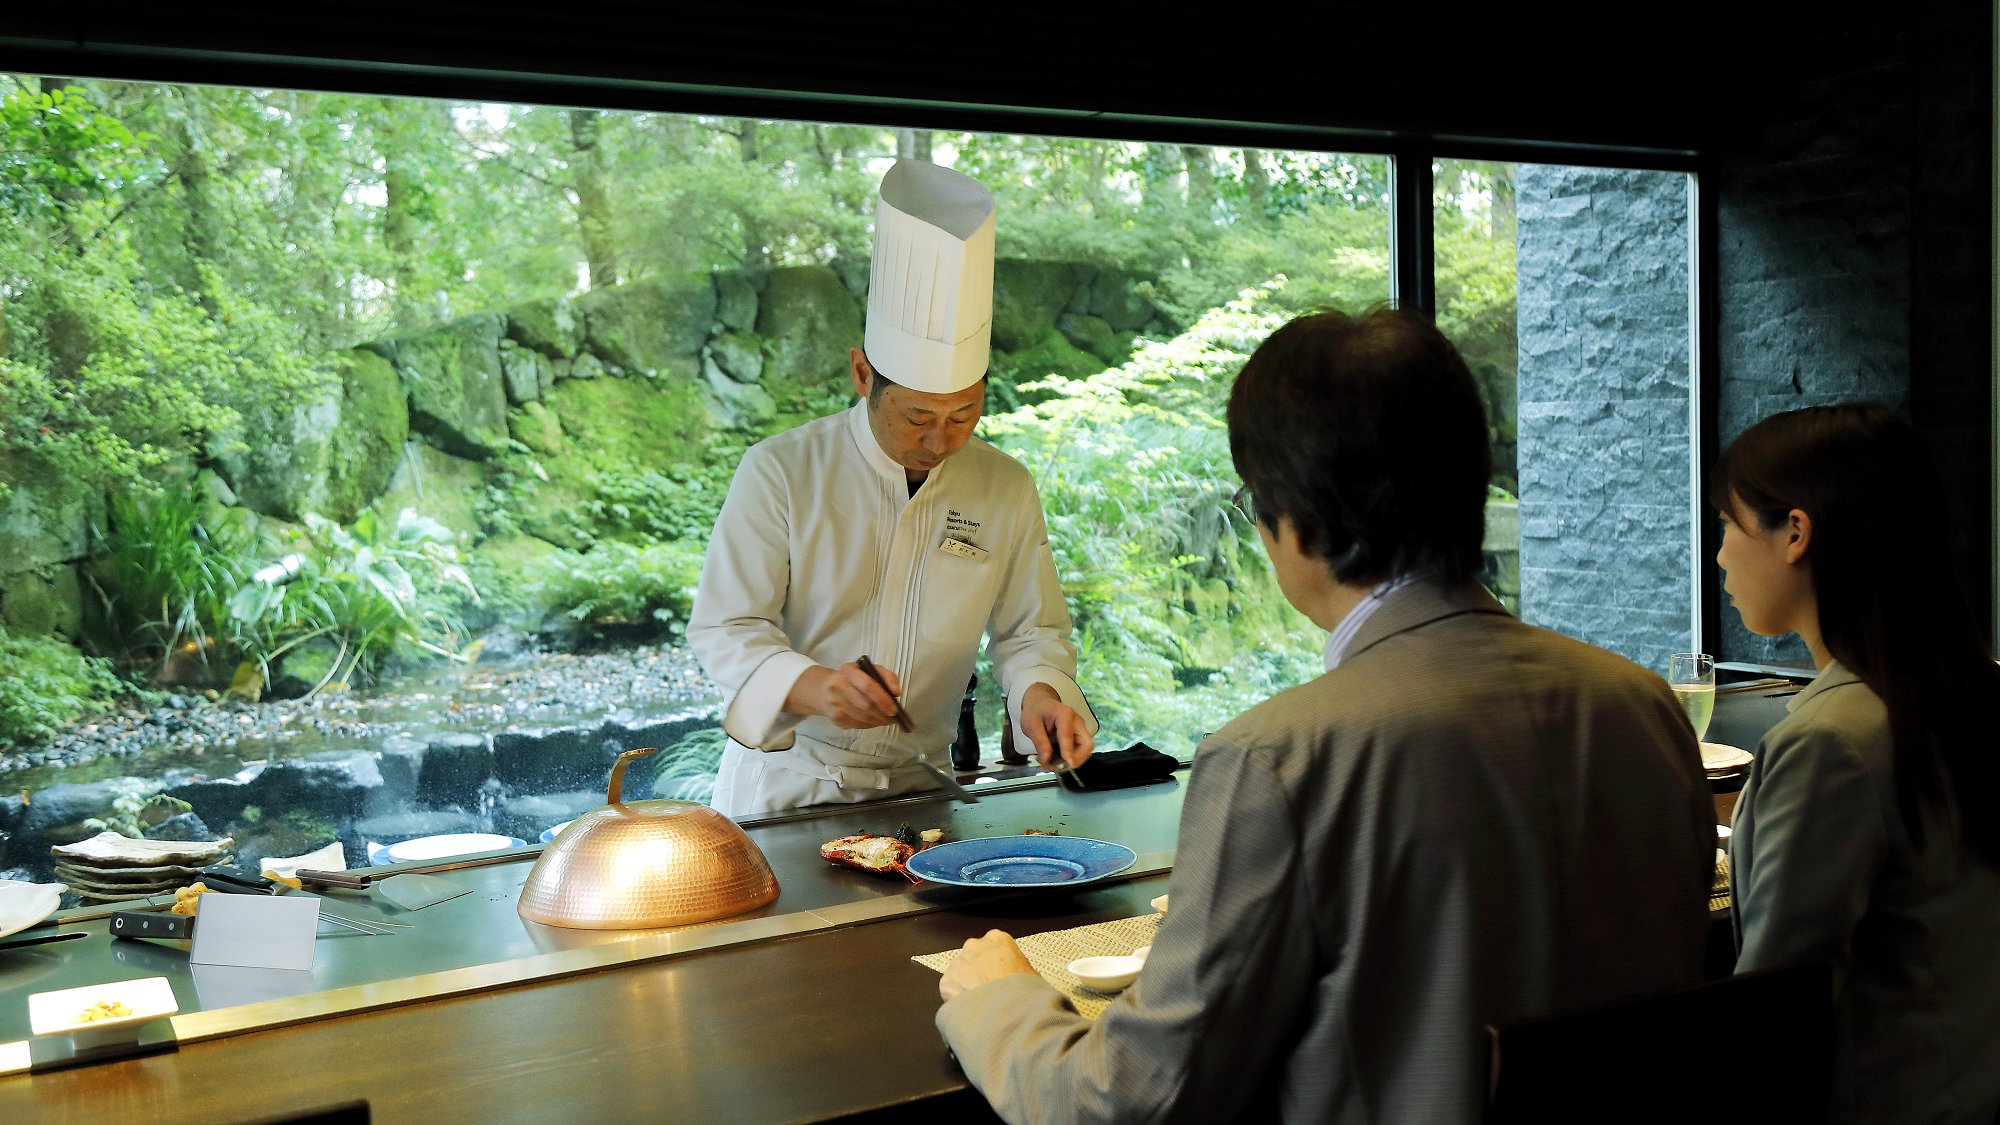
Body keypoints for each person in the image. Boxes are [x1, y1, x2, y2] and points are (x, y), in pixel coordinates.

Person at [934, 306, 1716, 1122]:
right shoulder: (1642, 706)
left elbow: (1132, 1101)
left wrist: (1001, 1001)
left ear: (1294, 524)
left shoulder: (1278, 759)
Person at [687, 160, 1096, 818]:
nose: (940, 441)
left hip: (918, 790)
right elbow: (726, 626)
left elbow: (1029, 633)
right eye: (917, 418)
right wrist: (815, 686)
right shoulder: (781, 471)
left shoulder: (1004, 486)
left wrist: (1041, 695)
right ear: (861, 373)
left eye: (963, 416)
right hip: (788, 788)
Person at [1714, 402, 2000, 1123]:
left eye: (1729, 523)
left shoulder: (1831, 742)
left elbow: (1775, 1014)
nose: (1718, 554)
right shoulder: (1963, 691)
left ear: (1796, 533)